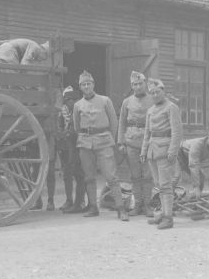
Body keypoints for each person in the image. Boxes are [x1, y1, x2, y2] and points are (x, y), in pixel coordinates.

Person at [73, 70, 128, 221]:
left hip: (104, 142)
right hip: (85, 143)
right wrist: (86, 135)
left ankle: (120, 208)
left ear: (93, 85)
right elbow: (76, 126)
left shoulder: (105, 101)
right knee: (89, 177)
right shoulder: (78, 105)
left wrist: (110, 138)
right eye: (83, 85)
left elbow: (114, 123)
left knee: (111, 176)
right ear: (80, 87)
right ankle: (93, 207)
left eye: (88, 84)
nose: (86, 87)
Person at [140, 78, 183, 229]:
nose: (155, 95)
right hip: (152, 150)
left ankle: (168, 218)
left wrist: (173, 150)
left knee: (165, 186)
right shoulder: (150, 110)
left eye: (157, 92)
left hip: (165, 151)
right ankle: (163, 214)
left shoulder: (172, 108)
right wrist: (144, 150)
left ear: (163, 91)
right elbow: (147, 133)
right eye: (152, 93)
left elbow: (177, 132)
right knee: (159, 185)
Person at [117, 71, 154, 216]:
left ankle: (148, 206)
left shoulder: (153, 100)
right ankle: (137, 205)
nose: (137, 87)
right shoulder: (127, 102)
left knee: (147, 175)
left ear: (145, 84)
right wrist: (121, 142)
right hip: (131, 142)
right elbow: (121, 123)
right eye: (134, 84)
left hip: (148, 142)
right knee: (135, 175)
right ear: (131, 86)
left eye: (140, 84)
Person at [53, 86, 87, 213]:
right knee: (67, 174)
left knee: (79, 174)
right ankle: (69, 200)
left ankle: (81, 202)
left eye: (72, 100)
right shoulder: (62, 113)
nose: (70, 103)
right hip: (65, 147)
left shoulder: (79, 111)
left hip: (77, 146)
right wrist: (62, 135)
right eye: (67, 100)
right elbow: (59, 128)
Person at [172, 124, 209, 200]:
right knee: (176, 176)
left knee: (201, 177)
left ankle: (195, 198)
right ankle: (166, 197)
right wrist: (196, 186)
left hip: (189, 158)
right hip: (178, 153)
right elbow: (194, 165)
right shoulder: (198, 144)